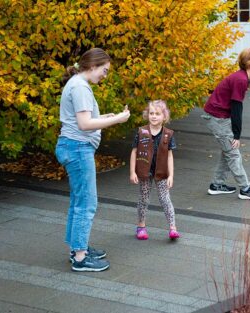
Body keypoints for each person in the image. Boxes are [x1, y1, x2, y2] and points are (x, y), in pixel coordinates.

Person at [55, 48, 130, 272]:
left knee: (79, 201)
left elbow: (85, 119)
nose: (105, 76)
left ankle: (79, 248)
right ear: (92, 65)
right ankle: (80, 258)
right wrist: (117, 119)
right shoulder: (80, 87)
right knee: (86, 203)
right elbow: (85, 125)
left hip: (74, 146)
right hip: (78, 149)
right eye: (104, 71)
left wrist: (104, 118)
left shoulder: (77, 84)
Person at [202, 47, 250, 201]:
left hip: (220, 116)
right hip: (217, 117)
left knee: (227, 151)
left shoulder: (244, 77)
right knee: (233, 153)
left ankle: (217, 185)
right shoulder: (240, 79)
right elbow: (237, 108)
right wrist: (236, 135)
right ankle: (245, 189)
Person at [129, 100, 180, 240]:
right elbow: (134, 152)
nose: (154, 116)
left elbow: (170, 156)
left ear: (164, 116)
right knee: (144, 198)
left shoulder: (168, 134)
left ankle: (172, 228)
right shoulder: (141, 132)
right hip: (144, 171)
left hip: (162, 171)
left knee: (165, 199)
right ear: (147, 115)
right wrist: (132, 172)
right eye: (151, 113)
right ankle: (141, 226)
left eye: (157, 113)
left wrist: (171, 175)